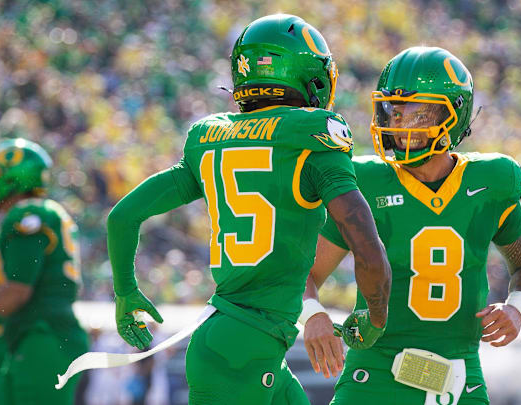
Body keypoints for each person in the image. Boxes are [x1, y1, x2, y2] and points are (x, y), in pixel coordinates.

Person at [106, 14, 391, 405]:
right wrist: (374, 313)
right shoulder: (312, 134)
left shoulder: (210, 137)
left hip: (238, 342)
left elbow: (122, 216)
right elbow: (365, 243)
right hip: (244, 349)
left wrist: (125, 292)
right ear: (310, 74)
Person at [300, 46, 521, 405]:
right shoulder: (365, 182)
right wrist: (314, 316)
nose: (398, 125)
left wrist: (518, 307)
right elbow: (304, 273)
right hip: (375, 375)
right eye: (392, 111)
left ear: (453, 116)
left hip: (459, 377)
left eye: (415, 113)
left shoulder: (490, 182)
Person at [0, 138, 89, 404]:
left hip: (42, 336)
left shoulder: (27, 214)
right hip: (33, 336)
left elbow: (18, 290)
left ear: (15, 178)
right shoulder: (39, 213)